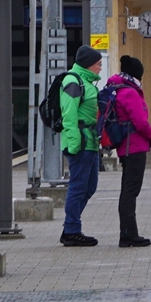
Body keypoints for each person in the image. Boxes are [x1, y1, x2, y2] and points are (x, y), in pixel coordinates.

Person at [105, 55, 151, 248]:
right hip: (134, 146)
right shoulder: (129, 92)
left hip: (127, 146)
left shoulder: (117, 88)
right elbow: (140, 122)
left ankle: (128, 232)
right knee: (131, 191)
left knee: (128, 190)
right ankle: (129, 234)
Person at [59, 45, 104, 247]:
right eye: (98, 64)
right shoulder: (73, 81)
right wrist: (75, 143)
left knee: (89, 186)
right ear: (89, 65)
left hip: (90, 141)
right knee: (78, 186)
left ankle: (70, 226)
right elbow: (69, 115)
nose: (101, 68)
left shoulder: (86, 81)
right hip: (82, 142)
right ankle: (72, 230)